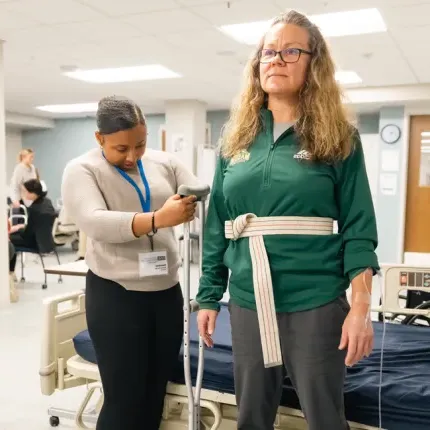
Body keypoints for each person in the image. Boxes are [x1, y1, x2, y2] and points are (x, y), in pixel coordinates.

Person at [196, 10, 379, 430]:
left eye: (291, 51)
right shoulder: (235, 137)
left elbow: (359, 229)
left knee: (324, 417)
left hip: (314, 297)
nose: (276, 59)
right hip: (246, 297)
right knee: (251, 417)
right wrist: (209, 295)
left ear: (314, 63)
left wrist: (361, 308)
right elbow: (218, 226)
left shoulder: (338, 137)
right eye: (268, 51)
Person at [61, 95, 200, 430]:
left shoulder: (162, 162)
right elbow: (96, 222)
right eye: (120, 149)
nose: (131, 156)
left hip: (166, 293)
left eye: (139, 144)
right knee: (124, 400)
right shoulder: (82, 169)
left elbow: (198, 187)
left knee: (155, 395)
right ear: (99, 139)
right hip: (116, 295)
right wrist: (158, 218)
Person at [9, 179, 57, 252]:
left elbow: (27, 235)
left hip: (36, 244)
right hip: (48, 243)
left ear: (32, 193)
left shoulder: (34, 210)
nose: (23, 194)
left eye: (24, 191)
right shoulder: (47, 202)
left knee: (5, 241)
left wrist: (18, 228)